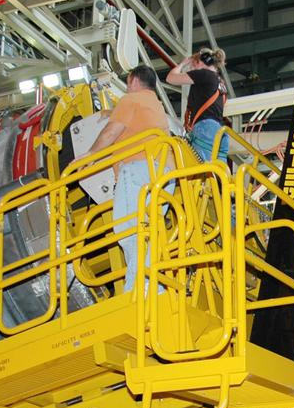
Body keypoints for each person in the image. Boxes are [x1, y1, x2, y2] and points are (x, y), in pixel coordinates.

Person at [87, 66, 169, 293]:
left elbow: (111, 132)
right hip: (163, 176)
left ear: (132, 80)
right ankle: (155, 286)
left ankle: (139, 289)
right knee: (149, 231)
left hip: (136, 171)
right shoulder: (155, 105)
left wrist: (90, 156)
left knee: (128, 231)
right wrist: (111, 111)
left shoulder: (130, 99)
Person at [165, 48, 229, 163]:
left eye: (192, 67)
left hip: (205, 129)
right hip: (219, 132)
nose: (191, 70)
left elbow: (170, 78)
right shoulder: (221, 83)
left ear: (199, 62)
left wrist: (183, 63)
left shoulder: (204, 74)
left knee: (200, 170)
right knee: (218, 173)